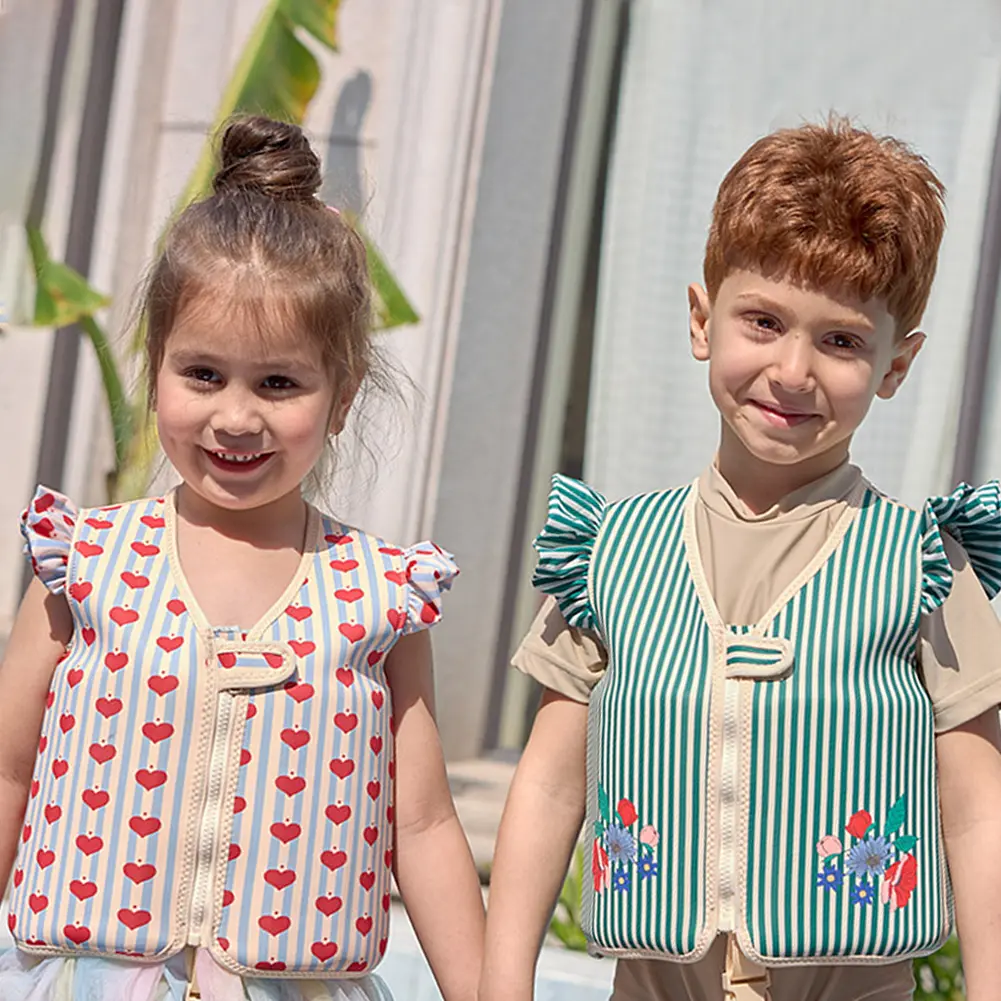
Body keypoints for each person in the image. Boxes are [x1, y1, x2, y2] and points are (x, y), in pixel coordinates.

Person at [480, 118, 1001, 1001]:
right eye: (762, 321)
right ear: (701, 320)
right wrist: (502, 984)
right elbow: (549, 784)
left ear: (895, 365)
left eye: (840, 341)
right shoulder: (609, 553)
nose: (792, 370)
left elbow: (979, 810)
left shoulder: (922, 564)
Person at [0, 115, 484, 1001]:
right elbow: (8, 770)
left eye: (278, 383)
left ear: (341, 398)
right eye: (202, 374)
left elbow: (420, 824)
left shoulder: (379, 596)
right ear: (155, 369)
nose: (235, 416)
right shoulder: (85, 563)